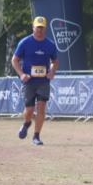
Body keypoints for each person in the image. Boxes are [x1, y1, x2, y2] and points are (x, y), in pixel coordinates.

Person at [11, 16, 59, 146]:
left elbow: (55, 62)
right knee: (29, 110)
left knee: (42, 108)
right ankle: (26, 123)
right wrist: (21, 74)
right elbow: (14, 60)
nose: (40, 30)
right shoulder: (25, 42)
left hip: (43, 81)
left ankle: (36, 136)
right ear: (33, 28)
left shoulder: (50, 45)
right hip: (29, 81)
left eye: (42, 28)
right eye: (38, 27)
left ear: (45, 29)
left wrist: (52, 71)